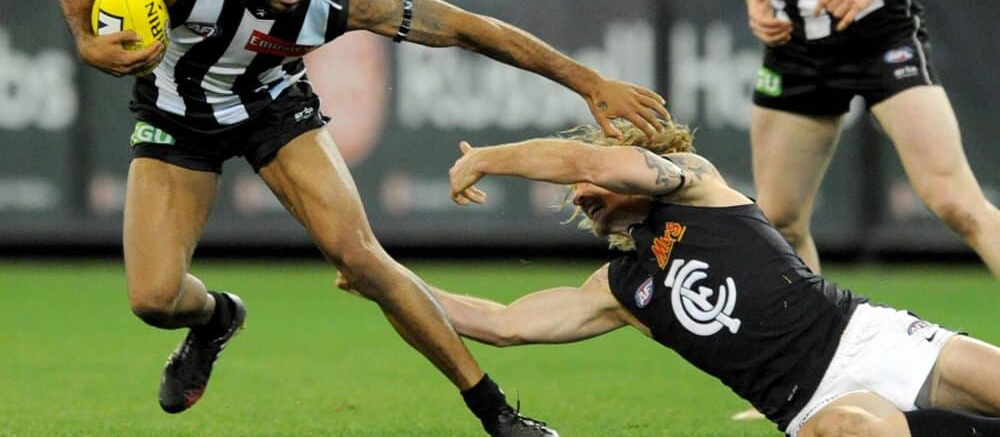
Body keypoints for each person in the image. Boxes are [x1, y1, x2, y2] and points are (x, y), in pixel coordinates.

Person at [57, 0, 669, 436]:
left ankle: (496, 412)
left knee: (364, 258)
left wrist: (586, 81)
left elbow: (468, 28)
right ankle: (217, 318)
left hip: (275, 110)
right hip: (175, 118)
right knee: (154, 301)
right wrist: (87, 42)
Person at [352, 118, 1000, 436]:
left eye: (587, 184)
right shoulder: (619, 288)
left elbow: (588, 158)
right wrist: (383, 275)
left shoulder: (695, 186)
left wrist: (491, 157)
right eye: (576, 195)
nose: (580, 195)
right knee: (854, 432)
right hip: (815, 405)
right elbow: (500, 325)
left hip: (872, 336)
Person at [732, 0, 1000, 276]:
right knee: (779, 219)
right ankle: (814, 345)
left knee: (955, 201)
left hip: (880, 35)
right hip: (794, 43)